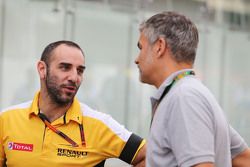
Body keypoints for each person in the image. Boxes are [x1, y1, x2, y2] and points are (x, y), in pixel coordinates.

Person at [0, 40, 146, 167]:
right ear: (42, 69)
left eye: (80, 71)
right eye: (65, 67)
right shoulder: (6, 119)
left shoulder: (99, 125)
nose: (74, 77)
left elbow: (151, 157)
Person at [134, 11, 250, 167]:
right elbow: (244, 158)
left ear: (159, 47)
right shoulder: (192, 93)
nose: (136, 59)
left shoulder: (184, 98)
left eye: (141, 48)